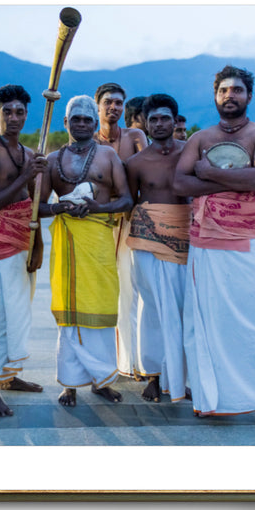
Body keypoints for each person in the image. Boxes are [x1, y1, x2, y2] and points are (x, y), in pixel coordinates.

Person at [172, 65, 255, 435]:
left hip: (247, 242)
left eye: (237, 90)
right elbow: (179, 181)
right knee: (207, 325)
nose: (230, 96)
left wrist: (209, 174)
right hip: (205, 243)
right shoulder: (200, 138)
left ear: (248, 96)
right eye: (224, 90)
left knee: (253, 324)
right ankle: (212, 400)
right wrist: (233, 180)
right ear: (215, 96)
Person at [43, 95, 133, 406]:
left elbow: (126, 200)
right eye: (75, 119)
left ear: (95, 124)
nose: (81, 124)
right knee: (70, 314)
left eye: (87, 119)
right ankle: (70, 384)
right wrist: (60, 206)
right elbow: (39, 206)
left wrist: (99, 207)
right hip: (67, 242)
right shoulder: (53, 160)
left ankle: (102, 380)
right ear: (65, 123)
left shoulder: (108, 156)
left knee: (103, 307)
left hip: (98, 241)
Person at [0, 84, 47, 417]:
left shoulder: (30, 154)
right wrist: (25, 177)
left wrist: (39, 245)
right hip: (1, 239)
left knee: (21, 310)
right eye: (8, 112)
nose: (14, 118)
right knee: (9, 313)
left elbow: (33, 206)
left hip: (25, 239)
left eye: (20, 112)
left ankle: (8, 375)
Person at [123, 93, 191, 402]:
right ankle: (152, 374)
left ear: (176, 121)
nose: (159, 124)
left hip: (185, 239)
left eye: (165, 118)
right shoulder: (135, 163)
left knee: (182, 309)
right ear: (145, 124)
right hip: (147, 241)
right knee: (150, 308)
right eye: (153, 119)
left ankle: (181, 377)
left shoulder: (191, 154)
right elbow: (129, 202)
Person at [95, 82, 146, 380]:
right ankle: (105, 364)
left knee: (131, 291)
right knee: (103, 294)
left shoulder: (135, 137)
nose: (113, 108)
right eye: (108, 103)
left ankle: (133, 362)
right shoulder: (88, 138)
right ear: (97, 106)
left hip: (130, 221)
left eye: (118, 103)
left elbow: (150, 169)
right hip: (100, 223)